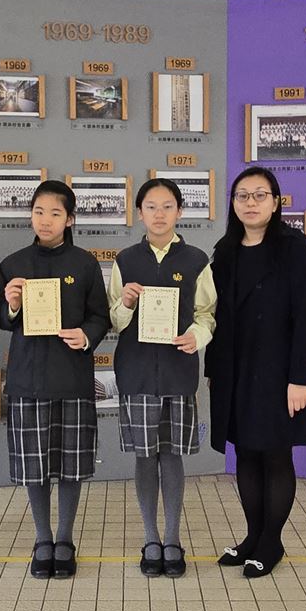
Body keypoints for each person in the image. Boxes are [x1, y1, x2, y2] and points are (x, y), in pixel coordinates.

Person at [205, 166, 306, 578]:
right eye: (242, 196)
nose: (250, 203)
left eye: (259, 195)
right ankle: (253, 537)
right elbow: (215, 316)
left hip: (278, 370)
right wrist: (213, 369)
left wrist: (300, 378)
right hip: (235, 368)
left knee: (275, 453)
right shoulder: (225, 250)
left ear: (275, 202)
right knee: (245, 452)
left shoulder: (295, 248)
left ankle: (272, 542)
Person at [0, 181, 109, 579]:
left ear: (70, 219)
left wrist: (86, 335)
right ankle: (42, 538)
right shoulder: (13, 264)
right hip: (28, 379)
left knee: (71, 465)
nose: (45, 220)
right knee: (34, 466)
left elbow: (100, 315)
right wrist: (11, 304)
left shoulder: (85, 263)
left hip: (72, 377)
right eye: (39, 212)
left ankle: (64, 538)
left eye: (55, 213)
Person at [109, 178, 216, 578]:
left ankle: (172, 538)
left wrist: (197, 336)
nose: (159, 214)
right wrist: (126, 302)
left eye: (167, 206)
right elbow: (114, 321)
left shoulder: (196, 260)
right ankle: (150, 537)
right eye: (151, 206)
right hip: (136, 371)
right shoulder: (125, 260)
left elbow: (207, 314)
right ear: (139, 213)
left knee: (171, 455)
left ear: (179, 212)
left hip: (177, 370)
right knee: (144, 455)